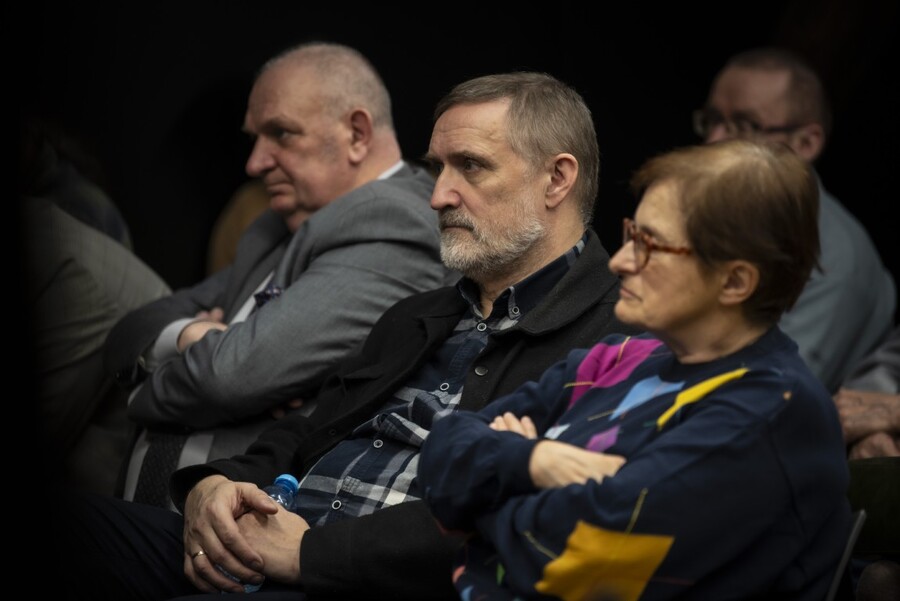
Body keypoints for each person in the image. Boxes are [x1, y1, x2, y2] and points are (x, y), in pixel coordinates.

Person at [59, 70, 637, 600]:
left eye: (471, 166)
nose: (438, 195)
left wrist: (311, 553)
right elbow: (304, 430)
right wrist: (215, 484)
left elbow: (526, 516)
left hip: (352, 579)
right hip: (264, 542)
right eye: (437, 168)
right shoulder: (420, 314)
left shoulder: (620, 335)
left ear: (557, 178)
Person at [418, 139, 852, 600]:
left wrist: (489, 487)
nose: (621, 262)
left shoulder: (773, 413)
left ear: (735, 281)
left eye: (650, 246)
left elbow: (569, 565)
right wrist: (534, 460)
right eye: (632, 234)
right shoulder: (620, 357)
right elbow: (439, 461)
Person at [103, 41, 453, 508]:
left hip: (236, 530)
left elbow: (229, 377)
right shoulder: (278, 224)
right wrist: (189, 337)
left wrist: (140, 388)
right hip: (169, 515)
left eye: (281, 134)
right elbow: (134, 326)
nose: (254, 163)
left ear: (357, 133)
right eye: (254, 137)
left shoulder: (393, 223)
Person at [693, 46, 896, 393]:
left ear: (806, 143)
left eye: (744, 125)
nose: (714, 140)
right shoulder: (708, 216)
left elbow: (767, 392)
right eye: (712, 120)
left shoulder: (833, 257)